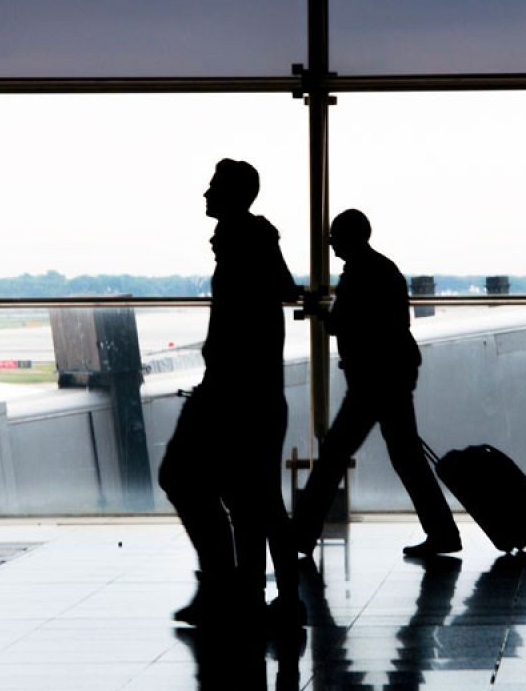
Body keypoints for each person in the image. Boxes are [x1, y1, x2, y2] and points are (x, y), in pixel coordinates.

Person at [159, 159, 304, 630]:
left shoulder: (240, 249)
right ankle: (259, 592)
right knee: (257, 498)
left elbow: (236, 327)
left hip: (232, 394)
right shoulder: (256, 244)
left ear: (231, 196)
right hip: (252, 394)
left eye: (213, 188)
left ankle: (233, 586)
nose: (205, 194)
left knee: (187, 477)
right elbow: (281, 290)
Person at [291, 209, 459, 558]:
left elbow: (344, 325)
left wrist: (319, 311)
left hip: (372, 381)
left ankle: (302, 535)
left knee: (335, 456)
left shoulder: (360, 275)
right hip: (390, 376)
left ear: (348, 237)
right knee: (405, 458)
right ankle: (442, 531)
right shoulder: (383, 269)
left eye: (334, 235)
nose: (330, 242)